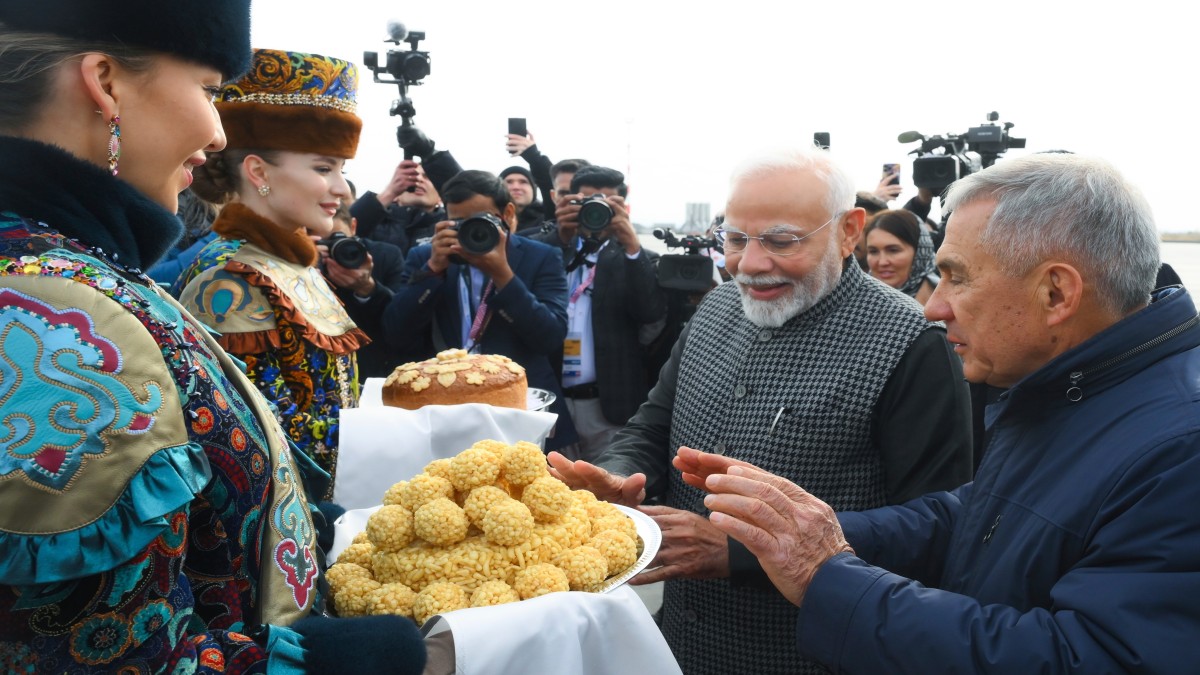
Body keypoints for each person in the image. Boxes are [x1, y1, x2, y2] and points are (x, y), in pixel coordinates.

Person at [0, 3, 424, 672]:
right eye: (207, 90)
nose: (218, 132)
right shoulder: (55, 310)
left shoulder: (76, 273)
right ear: (106, 82)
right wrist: (378, 656)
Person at [682, 152, 1200, 673]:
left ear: (1056, 291)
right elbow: (976, 515)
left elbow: (1091, 658)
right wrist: (792, 533)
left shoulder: (1181, 449)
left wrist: (829, 576)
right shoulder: (1073, 389)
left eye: (956, 277)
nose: (934, 305)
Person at [548, 146, 973, 674]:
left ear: (848, 231)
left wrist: (746, 552)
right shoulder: (716, 308)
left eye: (780, 240)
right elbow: (653, 425)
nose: (749, 264)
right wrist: (615, 475)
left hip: (810, 655)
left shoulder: (911, 343)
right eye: (734, 238)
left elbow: (934, 524)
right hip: (682, 645)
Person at [176, 48, 369, 489]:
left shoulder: (290, 262)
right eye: (324, 168)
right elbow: (258, 443)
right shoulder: (230, 279)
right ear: (259, 170)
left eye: (340, 170)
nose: (340, 188)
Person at [382, 170, 578, 450]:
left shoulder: (541, 256)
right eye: (458, 221)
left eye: (480, 220)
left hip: (520, 406)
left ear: (507, 213)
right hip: (446, 412)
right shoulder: (425, 257)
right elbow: (396, 333)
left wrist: (504, 277)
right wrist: (433, 271)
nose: (469, 230)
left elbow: (549, 336)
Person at [529, 165, 667, 462]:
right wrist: (560, 238)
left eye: (606, 201)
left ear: (623, 207)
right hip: (552, 398)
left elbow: (651, 315)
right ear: (568, 202)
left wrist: (631, 244)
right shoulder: (543, 251)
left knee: (606, 494)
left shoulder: (637, 258)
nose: (594, 209)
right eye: (585, 201)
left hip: (608, 404)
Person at [320, 204, 411, 380]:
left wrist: (367, 288)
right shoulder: (302, 260)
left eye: (338, 238)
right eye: (325, 242)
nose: (334, 248)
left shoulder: (385, 254)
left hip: (372, 365)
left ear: (353, 226)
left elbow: (400, 320)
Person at [350, 158, 446, 254]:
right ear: (396, 196)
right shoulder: (374, 222)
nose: (418, 179)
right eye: (411, 176)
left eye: (427, 177)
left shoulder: (447, 226)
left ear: (441, 197)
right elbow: (345, 229)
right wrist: (389, 193)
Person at [865, 208, 939, 303]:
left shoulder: (946, 302)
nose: (882, 262)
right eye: (873, 251)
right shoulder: (854, 300)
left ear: (920, 252)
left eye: (893, 250)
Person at [500, 165, 545, 233]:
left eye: (523, 182)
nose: (516, 187)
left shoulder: (547, 219)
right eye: (509, 182)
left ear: (533, 190)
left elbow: (547, 179)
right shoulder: (488, 219)